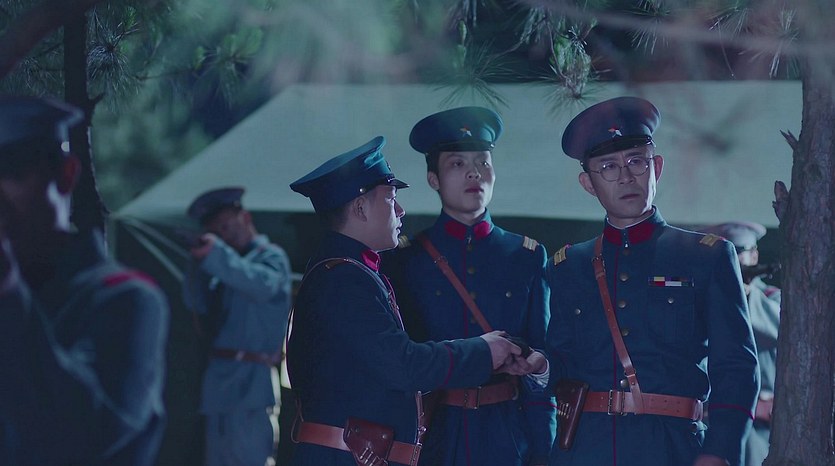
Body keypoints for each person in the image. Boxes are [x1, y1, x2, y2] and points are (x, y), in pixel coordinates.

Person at [529, 96, 759, 466]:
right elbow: (565, 362)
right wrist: (541, 366)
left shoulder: (706, 257)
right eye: (608, 167)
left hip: (671, 448)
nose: (626, 176)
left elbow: (736, 367)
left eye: (636, 161)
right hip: (585, 450)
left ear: (657, 167)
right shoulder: (569, 265)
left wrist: (720, 451)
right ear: (588, 183)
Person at [287, 135, 530, 466]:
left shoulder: (350, 272)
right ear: (360, 208)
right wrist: (483, 351)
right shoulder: (343, 279)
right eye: (391, 199)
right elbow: (403, 366)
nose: (401, 211)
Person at [0, 95, 169, 465]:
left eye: (10, 169)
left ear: (66, 174)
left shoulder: (126, 299)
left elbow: (81, 435)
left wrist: (7, 293)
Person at [383, 107, 555, 466]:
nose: (474, 172)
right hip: (433, 435)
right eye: (458, 164)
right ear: (433, 179)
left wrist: (544, 452)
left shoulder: (525, 255)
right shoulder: (406, 260)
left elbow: (540, 364)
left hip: (506, 437)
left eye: (483, 162)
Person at [183, 187, 292, 466]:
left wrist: (215, 255)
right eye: (215, 232)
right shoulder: (222, 266)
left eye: (225, 226)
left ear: (245, 217)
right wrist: (198, 261)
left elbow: (258, 283)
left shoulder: (271, 258)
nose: (223, 236)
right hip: (219, 385)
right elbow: (195, 302)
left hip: (251, 385)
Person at [700, 222, 780, 466]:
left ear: (754, 255)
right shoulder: (702, 298)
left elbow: (774, 330)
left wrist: (744, 294)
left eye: (739, 252)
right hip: (712, 422)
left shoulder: (771, 299)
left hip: (763, 430)